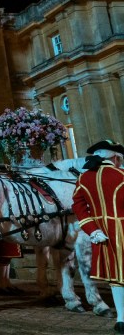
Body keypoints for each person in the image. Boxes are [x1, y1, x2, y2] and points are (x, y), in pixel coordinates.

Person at [71, 139, 124, 334]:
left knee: (116, 277)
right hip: (122, 229)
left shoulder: (83, 179)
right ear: (116, 157)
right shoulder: (121, 175)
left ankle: (121, 319)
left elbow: (78, 206)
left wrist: (92, 229)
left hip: (102, 234)